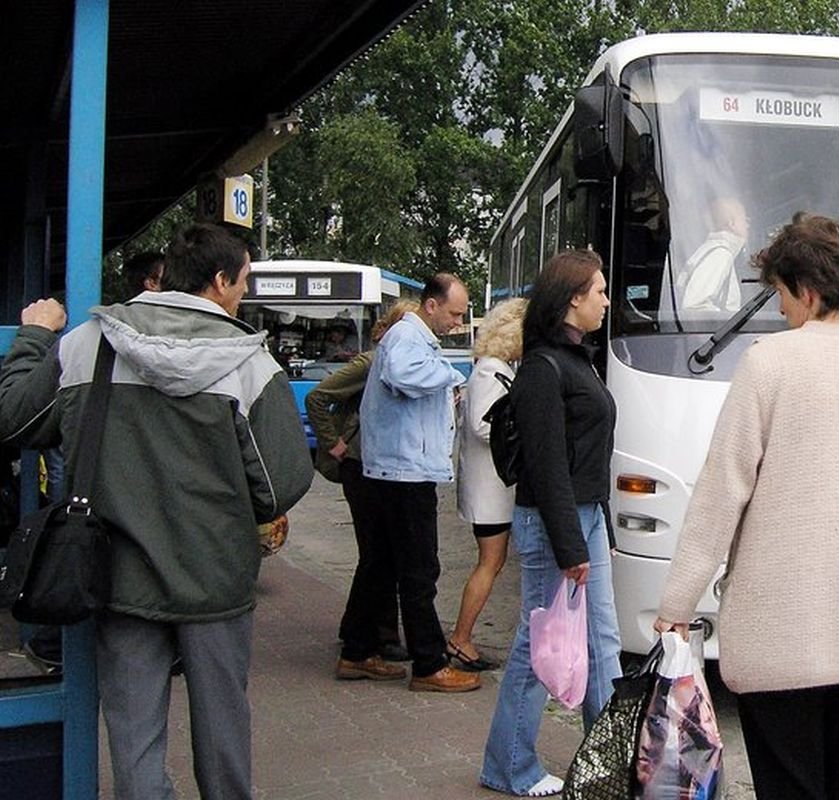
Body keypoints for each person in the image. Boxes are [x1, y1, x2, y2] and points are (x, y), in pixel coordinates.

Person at [0, 223, 313, 799]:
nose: (244, 292)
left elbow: (15, 419)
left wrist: (32, 336)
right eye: (244, 280)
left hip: (118, 576)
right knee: (223, 729)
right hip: (215, 581)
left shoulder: (85, 343)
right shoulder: (248, 361)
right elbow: (281, 483)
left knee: (133, 736)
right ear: (221, 282)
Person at [653, 212, 839, 800]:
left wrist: (676, 605)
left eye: (782, 296)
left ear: (808, 292)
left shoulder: (769, 364)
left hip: (779, 638)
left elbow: (720, 495)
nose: (781, 311)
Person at [480, 250, 623, 798]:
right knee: (538, 646)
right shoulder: (543, 368)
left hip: (582, 519)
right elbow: (546, 466)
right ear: (573, 299)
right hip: (554, 523)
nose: (609, 301)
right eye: (601, 291)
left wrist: (594, 531)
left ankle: (605, 757)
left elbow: (586, 461)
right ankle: (509, 766)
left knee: (602, 642)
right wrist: (572, 545)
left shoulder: (576, 359)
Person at [357, 272, 481, 693]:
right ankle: (429, 663)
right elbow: (406, 377)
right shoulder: (408, 340)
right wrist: (454, 375)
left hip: (395, 468)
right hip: (405, 471)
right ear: (431, 305)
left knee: (382, 566)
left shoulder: (410, 338)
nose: (458, 323)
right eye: (454, 313)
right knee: (418, 570)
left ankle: (357, 649)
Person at [306, 301, 417, 680]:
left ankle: (363, 631)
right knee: (377, 554)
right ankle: (371, 638)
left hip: (378, 464)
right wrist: (334, 443)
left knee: (380, 553)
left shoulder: (397, 362)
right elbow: (317, 397)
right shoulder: (371, 362)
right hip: (361, 465)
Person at [448, 297, 528, 672]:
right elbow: (482, 425)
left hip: (492, 488)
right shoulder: (489, 372)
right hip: (490, 490)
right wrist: (520, 428)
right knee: (489, 564)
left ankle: (462, 637)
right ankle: (461, 638)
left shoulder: (495, 369)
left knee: (491, 564)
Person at [679, 197, 750, 313]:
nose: (747, 225)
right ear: (731, 224)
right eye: (744, 219)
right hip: (718, 330)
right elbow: (695, 306)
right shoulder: (720, 254)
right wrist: (727, 322)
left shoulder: (711, 249)